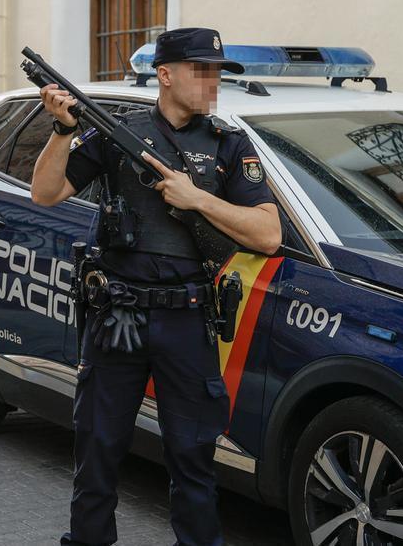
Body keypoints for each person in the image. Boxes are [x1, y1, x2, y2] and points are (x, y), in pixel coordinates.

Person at [29, 28, 281, 546]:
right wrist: (60, 129)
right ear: (165, 75)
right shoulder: (115, 133)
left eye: (217, 72)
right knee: (97, 449)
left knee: (192, 455)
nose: (212, 83)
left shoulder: (228, 144)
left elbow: (268, 234)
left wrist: (198, 200)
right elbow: (46, 192)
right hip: (115, 315)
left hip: (187, 318)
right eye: (200, 71)